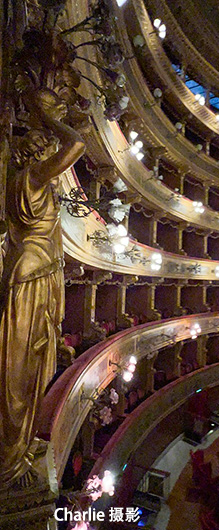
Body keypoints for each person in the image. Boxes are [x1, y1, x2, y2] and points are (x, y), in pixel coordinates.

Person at [0, 88, 85, 487]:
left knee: (34, 365)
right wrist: (46, 116)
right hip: (29, 278)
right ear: (34, 153)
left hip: (39, 274)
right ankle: (9, 455)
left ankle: (18, 445)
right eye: (43, 146)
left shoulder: (32, 182)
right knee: (18, 370)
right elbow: (77, 144)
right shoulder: (30, 178)